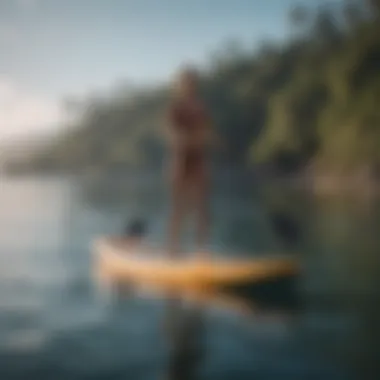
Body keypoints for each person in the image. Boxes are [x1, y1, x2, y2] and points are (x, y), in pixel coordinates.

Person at [164, 66, 219, 258]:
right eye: (186, 82)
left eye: (192, 82)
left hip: (199, 161)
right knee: (179, 206)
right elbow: (173, 135)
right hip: (181, 160)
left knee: (202, 207)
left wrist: (198, 138)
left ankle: (201, 250)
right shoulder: (176, 108)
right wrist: (189, 138)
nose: (189, 86)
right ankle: (173, 248)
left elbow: (208, 133)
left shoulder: (202, 108)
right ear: (180, 86)